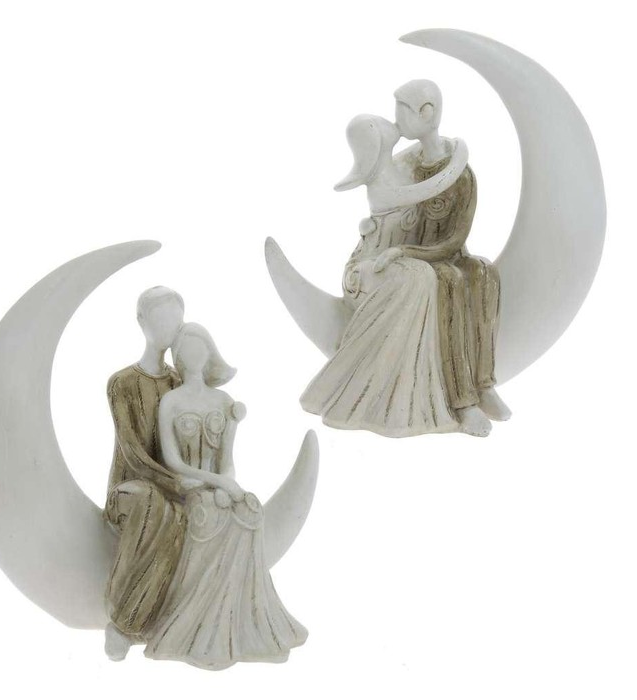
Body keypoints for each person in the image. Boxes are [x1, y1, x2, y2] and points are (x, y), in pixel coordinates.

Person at [144, 323, 307, 669]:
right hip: (187, 486)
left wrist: (226, 484)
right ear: (178, 356)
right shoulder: (170, 402)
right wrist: (215, 483)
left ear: (209, 352)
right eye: (186, 349)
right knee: (211, 517)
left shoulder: (224, 401)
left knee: (249, 513)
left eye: (200, 347)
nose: (194, 354)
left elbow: (227, 462)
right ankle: (196, 622)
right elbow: (173, 461)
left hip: (218, 483)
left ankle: (240, 620)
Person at [300, 114, 467, 437]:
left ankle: (407, 396)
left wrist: (436, 141)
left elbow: (428, 157)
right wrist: (460, 152)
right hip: (366, 270)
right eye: (379, 125)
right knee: (419, 277)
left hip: (395, 264)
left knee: (420, 277)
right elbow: (437, 185)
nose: (391, 121)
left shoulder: (403, 166)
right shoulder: (382, 184)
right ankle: (363, 394)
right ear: (374, 143)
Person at [390, 79, 510, 436]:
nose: (396, 118)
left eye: (402, 110)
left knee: (484, 271)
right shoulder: (404, 167)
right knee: (451, 280)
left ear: (427, 113)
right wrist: (402, 250)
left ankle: (485, 384)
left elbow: (456, 238)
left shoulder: (462, 173)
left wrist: (408, 250)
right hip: (419, 260)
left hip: (444, 253)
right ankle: (463, 402)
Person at [103, 286, 189, 661]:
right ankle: (123, 621)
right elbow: (133, 454)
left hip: (173, 488)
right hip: (129, 490)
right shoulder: (122, 383)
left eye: (176, 321)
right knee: (153, 503)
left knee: (182, 516)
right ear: (142, 321)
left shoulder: (179, 383)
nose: (169, 328)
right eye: (161, 319)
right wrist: (176, 483)